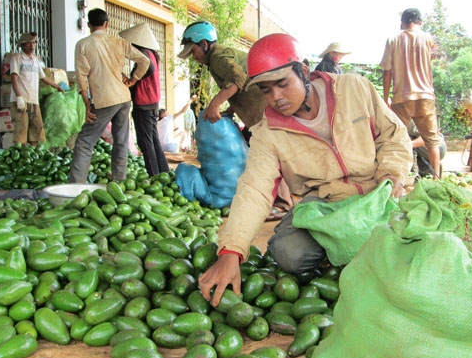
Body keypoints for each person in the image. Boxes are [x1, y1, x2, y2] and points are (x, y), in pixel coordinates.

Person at [198, 33, 413, 306]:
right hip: (325, 204)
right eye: (266, 89)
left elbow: (393, 135)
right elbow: (254, 189)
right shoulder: (267, 133)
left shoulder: (355, 89)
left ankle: (356, 250)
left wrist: (392, 174)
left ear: (304, 70)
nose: (276, 97)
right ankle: (338, 255)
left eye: (282, 84)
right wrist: (231, 251)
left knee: (408, 241)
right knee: (288, 253)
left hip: (376, 192)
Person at [178, 21, 293, 218]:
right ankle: (269, 198)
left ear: (204, 44)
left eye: (194, 50)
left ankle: (283, 204)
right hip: (256, 112)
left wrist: (215, 104)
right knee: (258, 155)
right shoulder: (216, 58)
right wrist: (230, 109)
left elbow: (238, 79)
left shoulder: (219, 57)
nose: (194, 57)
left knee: (270, 155)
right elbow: (242, 85)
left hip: (262, 112)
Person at [69, 8, 150, 183]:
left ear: (89, 25)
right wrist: (133, 80)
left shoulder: (83, 44)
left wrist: (86, 103)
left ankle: (75, 186)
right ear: (107, 24)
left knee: (84, 142)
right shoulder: (118, 42)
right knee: (121, 142)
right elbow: (145, 60)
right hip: (123, 97)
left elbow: (81, 76)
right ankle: (119, 182)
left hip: (104, 99)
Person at [380, 7, 442, 179]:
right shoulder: (428, 39)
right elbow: (435, 57)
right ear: (420, 23)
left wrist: (386, 99)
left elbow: (387, 71)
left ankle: (397, 179)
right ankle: (437, 180)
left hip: (402, 97)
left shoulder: (393, 39)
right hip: (426, 96)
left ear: (402, 23)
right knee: (432, 141)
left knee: (395, 140)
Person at [119, 23, 168, 176]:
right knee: (153, 140)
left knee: (146, 143)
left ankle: (154, 176)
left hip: (144, 103)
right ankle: (164, 174)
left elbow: (149, 69)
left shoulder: (144, 56)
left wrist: (133, 80)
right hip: (152, 103)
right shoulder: (152, 54)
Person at [9, 32, 64, 145]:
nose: (32, 45)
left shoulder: (36, 60)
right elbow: (14, 78)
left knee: (36, 129)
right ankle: (21, 155)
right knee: (21, 130)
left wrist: (57, 86)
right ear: (23, 45)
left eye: (34, 43)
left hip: (33, 100)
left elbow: (43, 78)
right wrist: (18, 97)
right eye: (29, 43)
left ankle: (34, 155)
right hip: (21, 101)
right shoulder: (17, 58)